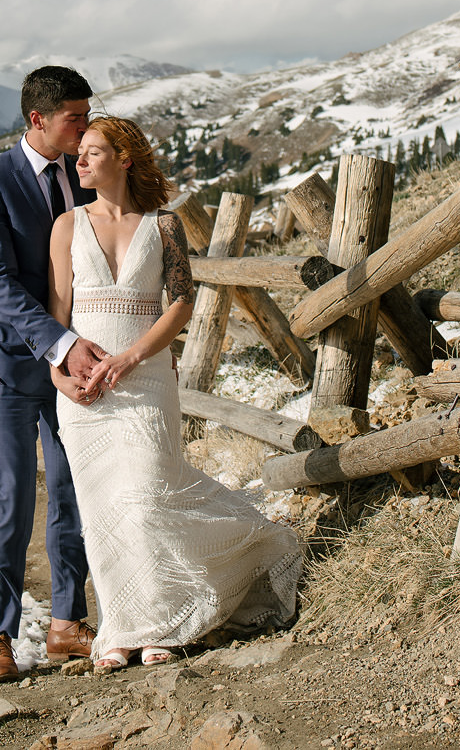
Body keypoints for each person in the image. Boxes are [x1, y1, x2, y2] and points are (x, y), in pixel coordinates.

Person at [49, 115, 303, 671]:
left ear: (125, 158)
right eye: (79, 153)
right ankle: (119, 629)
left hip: (145, 379)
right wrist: (58, 374)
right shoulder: (66, 225)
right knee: (103, 509)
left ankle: (165, 616)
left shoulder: (163, 226)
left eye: (93, 152)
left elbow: (180, 304)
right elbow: (58, 315)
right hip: (85, 393)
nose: (80, 161)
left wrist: (132, 356)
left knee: (148, 493)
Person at [0, 65, 107, 682]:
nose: (85, 126)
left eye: (87, 114)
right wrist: (60, 343)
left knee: (72, 484)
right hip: (17, 361)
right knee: (15, 492)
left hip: (79, 360)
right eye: (75, 117)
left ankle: (67, 622)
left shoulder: (90, 171)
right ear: (37, 120)